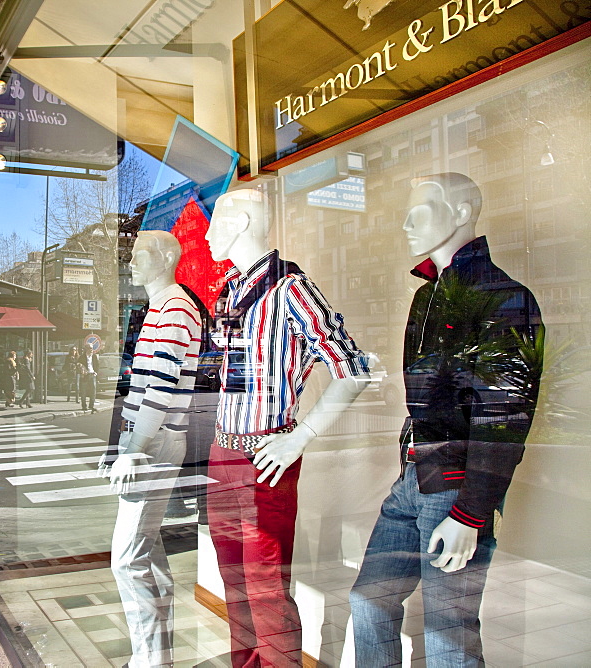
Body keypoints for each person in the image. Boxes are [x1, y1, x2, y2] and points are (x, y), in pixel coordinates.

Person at [349, 173, 543, 666]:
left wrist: (471, 512)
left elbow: (505, 416)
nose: (407, 223)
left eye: (422, 211)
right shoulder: (426, 297)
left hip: (455, 484)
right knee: (369, 599)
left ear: (460, 214)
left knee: (448, 632)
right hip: (415, 473)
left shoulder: (502, 296)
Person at [205, 188, 369, 667]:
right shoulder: (229, 293)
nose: (211, 235)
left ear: (238, 223)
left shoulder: (290, 289)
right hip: (222, 455)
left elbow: (353, 368)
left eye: (216, 223)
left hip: (264, 459)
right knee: (233, 582)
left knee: (266, 589)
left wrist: (300, 438)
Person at [98, 230, 202, 668]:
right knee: (147, 553)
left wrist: (135, 447)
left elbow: (161, 388)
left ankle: (149, 660)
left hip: (155, 443)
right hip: (149, 440)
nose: (132, 262)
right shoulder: (160, 308)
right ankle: (156, 657)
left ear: (164, 259)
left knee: (127, 560)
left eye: (140, 255)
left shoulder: (176, 308)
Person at [78, 342, 101, 412]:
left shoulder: (94, 356)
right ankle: (84, 406)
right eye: (90, 348)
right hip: (84, 375)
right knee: (83, 391)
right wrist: (82, 371)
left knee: (93, 391)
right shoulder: (82, 357)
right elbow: (78, 365)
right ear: (86, 349)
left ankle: (91, 406)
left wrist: (96, 372)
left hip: (92, 374)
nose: (91, 350)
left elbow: (97, 365)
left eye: (92, 348)